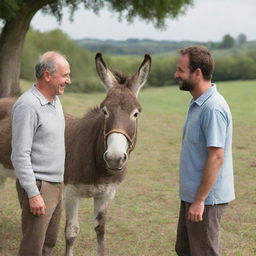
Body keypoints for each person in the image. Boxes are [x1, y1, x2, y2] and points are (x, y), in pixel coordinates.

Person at [174, 46, 235, 256]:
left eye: (181, 70)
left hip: (206, 200)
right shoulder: (198, 103)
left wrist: (199, 200)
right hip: (193, 197)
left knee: (203, 252)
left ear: (197, 73)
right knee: (185, 250)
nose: (176, 75)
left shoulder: (213, 108)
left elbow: (216, 157)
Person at [11, 51, 71, 256]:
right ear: (47, 75)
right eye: (64, 75)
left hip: (56, 184)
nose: (68, 80)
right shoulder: (28, 106)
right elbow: (19, 155)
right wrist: (33, 193)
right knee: (32, 248)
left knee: (48, 244)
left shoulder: (55, 100)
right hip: (39, 186)